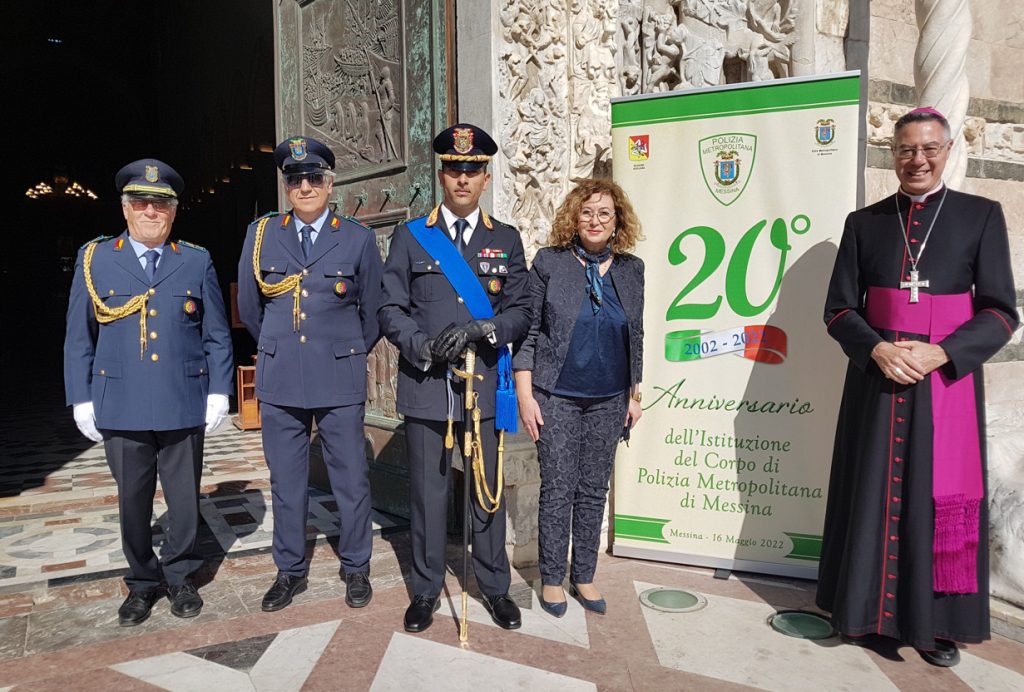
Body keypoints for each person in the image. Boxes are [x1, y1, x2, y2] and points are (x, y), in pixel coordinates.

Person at [818, 107, 1019, 667]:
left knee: (938, 501)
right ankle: (865, 613)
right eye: (906, 150)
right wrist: (878, 348)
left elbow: (1001, 311)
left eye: (929, 149)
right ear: (893, 154)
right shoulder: (865, 223)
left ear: (947, 151)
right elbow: (837, 310)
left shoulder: (980, 216)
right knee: (872, 492)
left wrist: (944, 352)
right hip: (877, 385)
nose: (917, 160)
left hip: (943, 386)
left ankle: (938, 627)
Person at [64, 159, 233, 626]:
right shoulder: (97, 258)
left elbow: (216, 333)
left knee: (183, 500)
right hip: (120, 403)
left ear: (174, 212)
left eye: (161, 204)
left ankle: (179, 577)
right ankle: (141, 582)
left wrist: (219, 391)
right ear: (125, 208)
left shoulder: (195, 260)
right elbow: (80, 336)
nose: (151, 211)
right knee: (132, 502)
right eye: (142, 202)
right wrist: (80, 397)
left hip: (182, 401)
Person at [379, 123, 531, 633]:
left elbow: (523, 307)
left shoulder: (505, 238)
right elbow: (389, 306)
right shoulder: (410, 236)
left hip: (484, 385)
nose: (462, 178)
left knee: (486, 490)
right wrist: (422, 346)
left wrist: (488, 326)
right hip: (428, 387)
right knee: (427, 493)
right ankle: (424, 589)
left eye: (472, 170)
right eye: (453, 169)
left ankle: (493, 586)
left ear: (485, 177)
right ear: (441, 175)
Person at [237, 136, 383, 612]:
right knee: (287, 480)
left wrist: (346, 351)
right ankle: (289, 570)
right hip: (281, 378)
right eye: (295, 179)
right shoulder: (261, 234)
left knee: (351, 478)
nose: (305, 186)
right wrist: (277, 347)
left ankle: (356, 566)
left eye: (314, 178)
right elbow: (250, 308)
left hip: (338, 377)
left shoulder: (357, 237)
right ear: (285, 186)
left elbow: (374, 312)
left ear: (330, 182)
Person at [513, 179, 644, 617]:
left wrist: (635, 393)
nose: (595, 220)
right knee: (558, 488)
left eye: (604, 213)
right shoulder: (550, 263)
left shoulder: (631, 268)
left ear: (617, 221)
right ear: (574, 217)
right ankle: (552, 578)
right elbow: (529, 331)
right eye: (587, 212)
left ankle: (583, 576)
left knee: (592, 490)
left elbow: (636, 331)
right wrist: (525, 394)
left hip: (609, 398)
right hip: (557, 396)